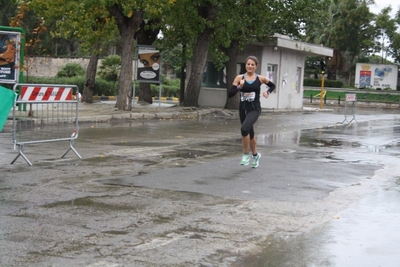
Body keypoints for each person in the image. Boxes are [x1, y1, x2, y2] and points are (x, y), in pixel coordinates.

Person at [228, 55, 276, 168]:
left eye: (252, 65)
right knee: (250, 133)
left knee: (244, 129)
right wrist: (239, 87)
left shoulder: (260, 78)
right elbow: (230, 94)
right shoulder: (239, 78)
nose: (250, 66)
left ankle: (245, 155)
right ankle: (255, 155)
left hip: (255, 108)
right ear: (246, 65)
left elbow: (272, 86)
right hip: (243, 109)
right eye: (248, 64)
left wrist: (267, 92)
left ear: (256, 66)